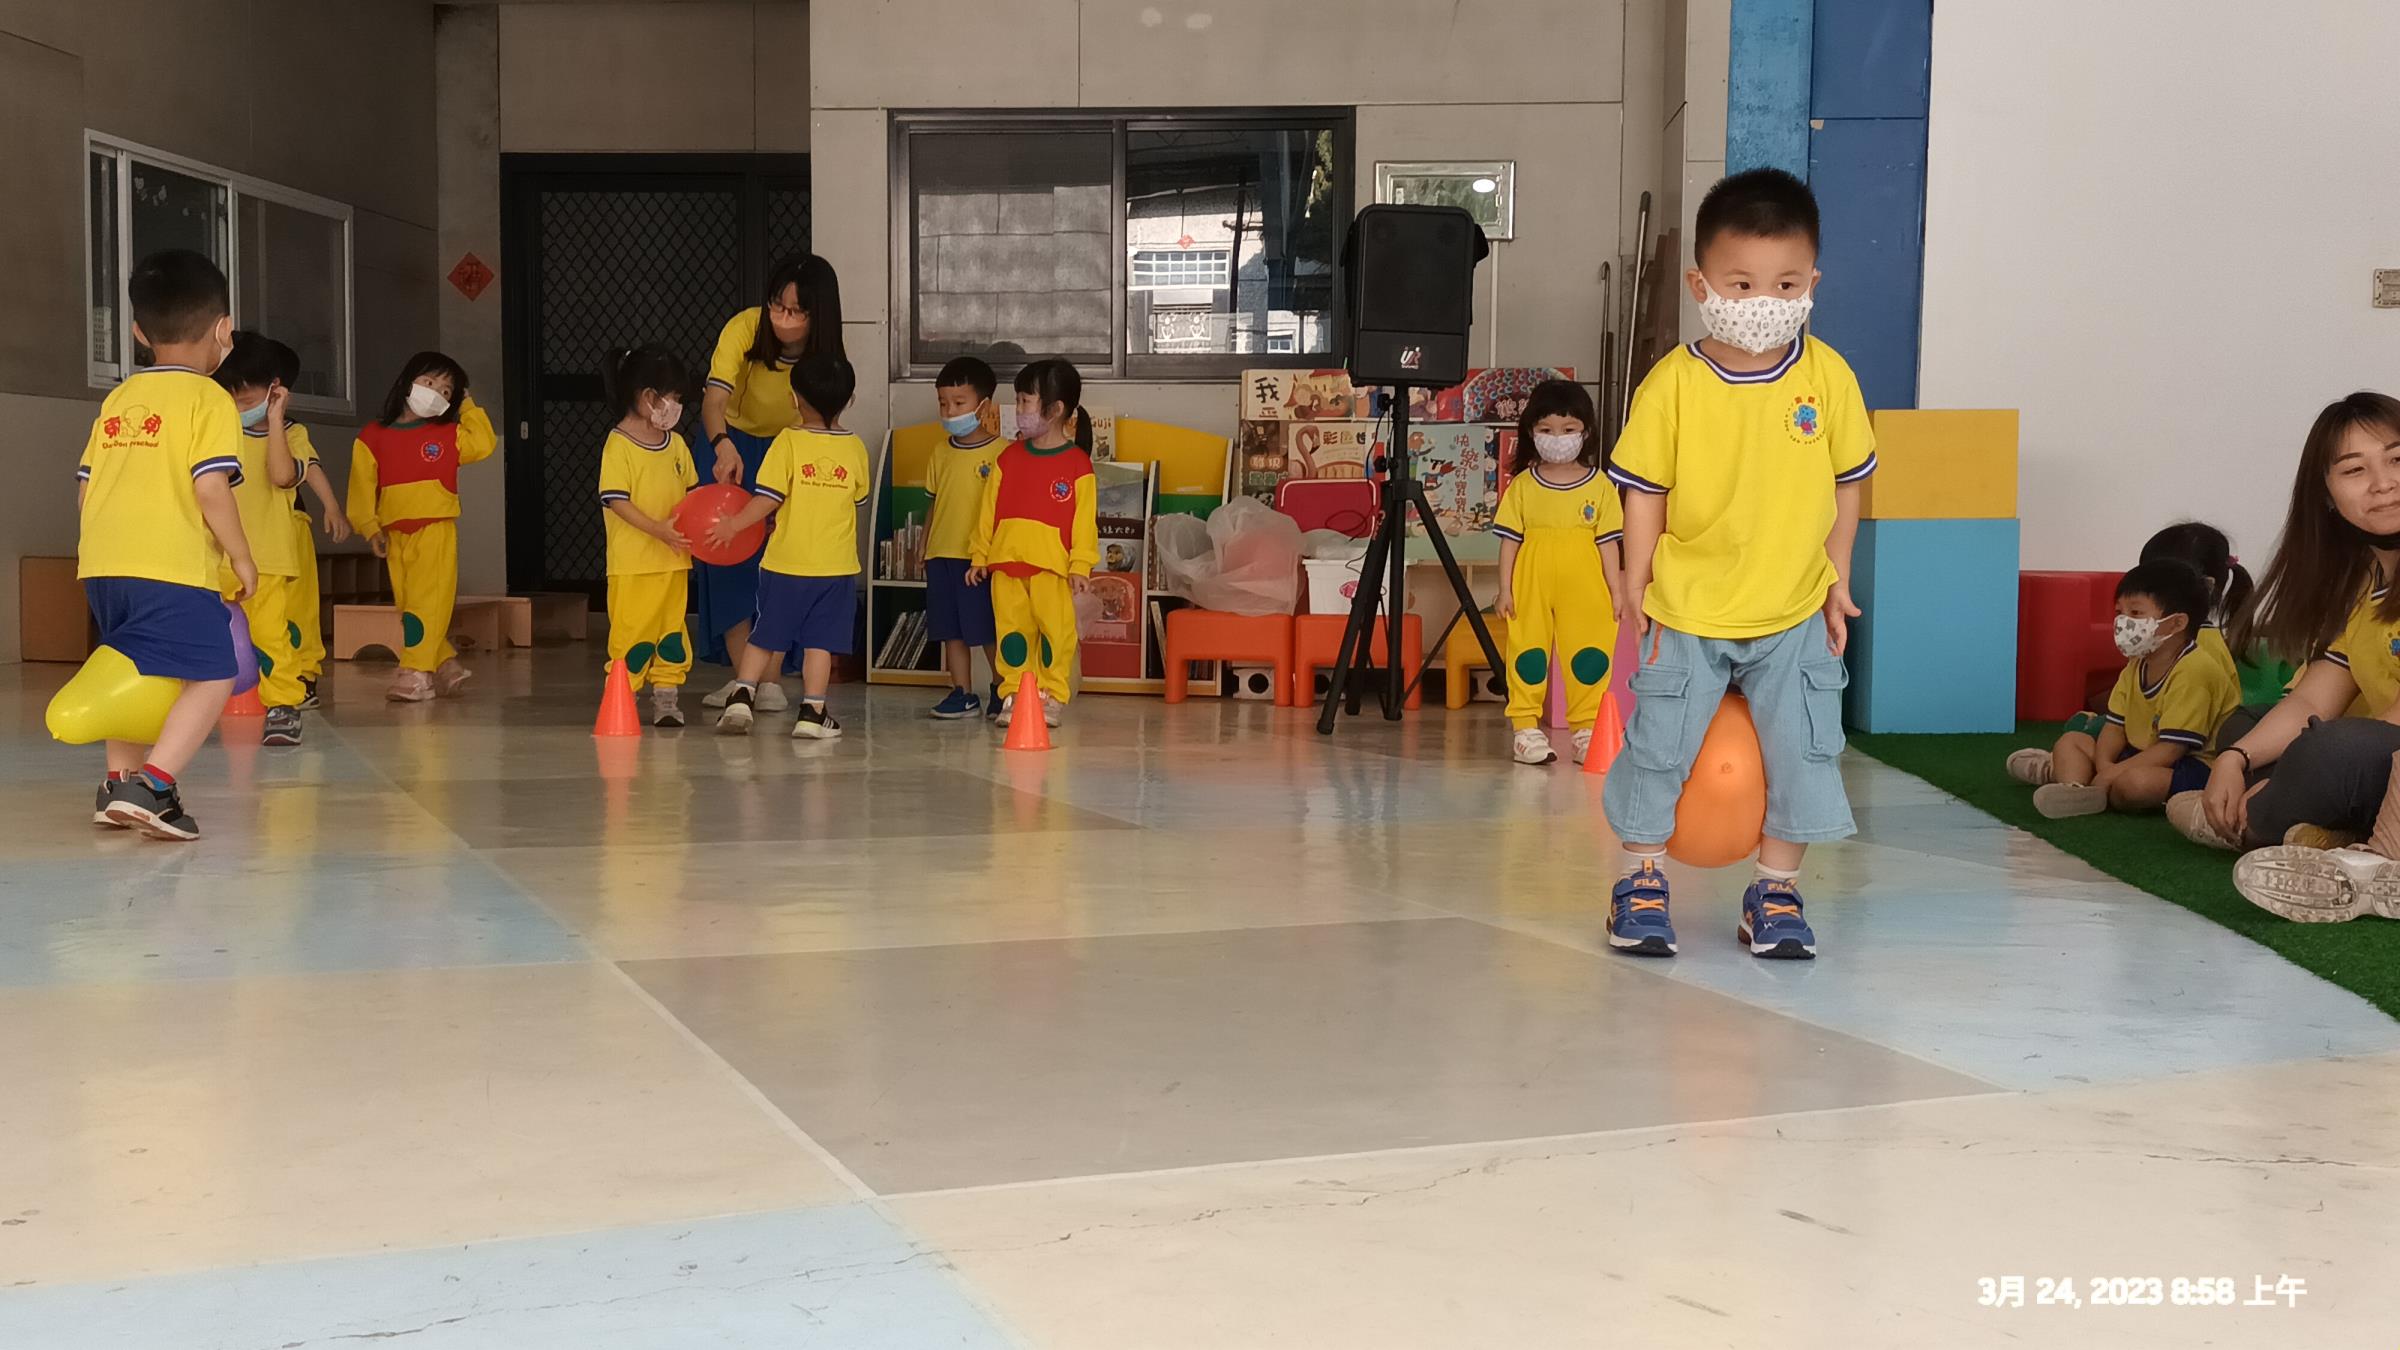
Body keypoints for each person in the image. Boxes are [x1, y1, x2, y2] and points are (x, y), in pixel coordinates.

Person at [1602, 168, 1877, 961]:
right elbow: (1645, 494)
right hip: (1689, 607)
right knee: (1660, 748)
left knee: (1804, 753)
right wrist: (1637, 581)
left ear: (1812, 283)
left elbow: (1848, 483)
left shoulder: (1828, 377)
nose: (1764, 301)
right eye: (1743, 283)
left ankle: (1776, 892)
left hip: (1792, 609)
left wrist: (1836, 577)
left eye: (1786, 284)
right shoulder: (1672, 385)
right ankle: (1642, 882)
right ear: (1702, 285)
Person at [77, 249, 255, 841]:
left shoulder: (119, 398)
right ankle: (154, 786)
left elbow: (86, 488)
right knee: (215, 673)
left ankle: (117, 784)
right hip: (171, 566)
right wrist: (241, 556)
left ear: (137, 331)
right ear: (223, 329)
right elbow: (210, 487)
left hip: (104, 565)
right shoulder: (209, 399)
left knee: (133, 669)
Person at [2175, 393, 2400, 853]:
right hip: (2375, 753)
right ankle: (2325, 832)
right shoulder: (2362, 584)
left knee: (2335, 750)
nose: (2383, 484)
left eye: (2397, 460)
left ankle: (2255, 825)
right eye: (2355, 470)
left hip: (2380, 752)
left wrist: (2297, 772)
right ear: (2328, 497)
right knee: (2245, 729)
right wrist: (2235, 759)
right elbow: (2313, 697)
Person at [695, 254, 845, 705]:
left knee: (780, 561)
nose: (782, 319)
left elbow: (826, 426)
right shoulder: (744, 327)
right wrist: (722, 443)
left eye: (796, 311)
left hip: (791, 449)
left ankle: (771, 680)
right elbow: (714, 401)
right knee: (725, 551)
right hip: (729, 443)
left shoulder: (827, 356)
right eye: (777, 306)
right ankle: (744, 676)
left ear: (818, 314)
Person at [706, 353, 869, 739]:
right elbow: (858, 500)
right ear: (849, 400)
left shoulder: (787, 442)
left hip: (785, 564)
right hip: (835, 568)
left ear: (794, 399)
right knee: (820, 644)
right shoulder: (855, 448)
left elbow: (767, 498)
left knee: (766, 634)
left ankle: (741, 697)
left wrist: (734, 525)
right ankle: (813, 712)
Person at [2004, 560, 2238, 817]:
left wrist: (2112, 773)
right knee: (2072, 741)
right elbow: (2115, 725)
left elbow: (2171, 749)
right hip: (2139, 754)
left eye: (2135, 613)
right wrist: (2105, 765)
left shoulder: (2195, 670)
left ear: (2177, 623)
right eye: (2119, 612)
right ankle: (2074, 788)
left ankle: (2084, 784)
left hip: (2192, 765)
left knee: (2136, 784)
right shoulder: (2137, 663)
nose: (2122, 622)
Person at [345, 352, 497, 702]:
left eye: (446, 391)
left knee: (426, 605)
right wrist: (369, 526)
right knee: (410, 606)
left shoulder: (449, 434)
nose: (436, 393)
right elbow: (361, 485)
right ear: (407, 382)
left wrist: (468, 404)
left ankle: (416, 674)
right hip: (395, 533)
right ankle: (445, 664)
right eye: (429, 382)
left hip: (435, 531)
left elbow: (484, 443)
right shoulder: (372, 436)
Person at [1493, 379, 1624, 766]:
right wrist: (1505, 588)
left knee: (1590, 655)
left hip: (1587, 585)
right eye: (1546, 429)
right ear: (1531, 432)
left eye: (1568, 429)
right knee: (1528, 653)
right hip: (1530, 582)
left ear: (1586, 431)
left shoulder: (1601, 486)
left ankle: (1586, 729)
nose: (1558, 438)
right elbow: (1509, 542)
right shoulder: (1522, 486)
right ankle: (1525, 729)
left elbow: (1608, 543)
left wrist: (1616, 590)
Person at [967, 358, 1098, 730]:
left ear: (1055, 410)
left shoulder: (1077, 464)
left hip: (1053, 570)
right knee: (1012, 635)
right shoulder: (1007, 457)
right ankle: (1014, 695)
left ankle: (1051, 696)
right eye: (1018, 400)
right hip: (1006, 567)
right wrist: (980, 555)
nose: (1018, 409)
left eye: (1025, 401)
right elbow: (988, 511)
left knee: (1056, 636)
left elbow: (1084, 522)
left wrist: (1080, 566)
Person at [597, 345, 700, 727]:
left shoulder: (676, 445)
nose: (676, 406)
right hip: (633, 565)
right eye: (672, 398)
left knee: (671, 632)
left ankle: (667, 698)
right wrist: (657, 530)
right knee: (632, 634)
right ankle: (621, 697)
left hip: (673, 562)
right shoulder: (619, 445)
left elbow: (692, 494)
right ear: (647, 397)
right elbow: (616, 500)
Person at [212, 333, 306, 745]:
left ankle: (283, 704)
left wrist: (274, 421)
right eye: (231, 401)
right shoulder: (214, 433)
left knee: (269, 636)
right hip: (211, 556)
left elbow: (283, 476)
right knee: (195, 632)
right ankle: (184, 707)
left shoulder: (292, 435)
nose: (239, 410)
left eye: (247, 401)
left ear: (274, 390)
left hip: (266, 557)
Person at [258, 335, 350, 710]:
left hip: (288, 528)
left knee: (295, 608)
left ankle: (302, 677)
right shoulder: (224, 425)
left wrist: (331, 507)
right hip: (249, 531)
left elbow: (309, 467)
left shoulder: (291, 430)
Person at [922, 356, 1004, 719]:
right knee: (950, 630)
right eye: (943, 403)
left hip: (979, 559)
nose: (950, 411)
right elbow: (934, 503)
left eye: (959, 403)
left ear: (984, 406)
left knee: (986, 629)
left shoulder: (1003, 453)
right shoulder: (940, 452)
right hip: (940, 554)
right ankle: (962, 692)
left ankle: (1002, 689)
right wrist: (924, 546)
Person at [2138, 521, 2281, 707]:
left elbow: (2189, 715)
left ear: (2204, 587)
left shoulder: (2198, 647)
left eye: (2154, 585)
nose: (2140, 593)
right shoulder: (2164, 638)